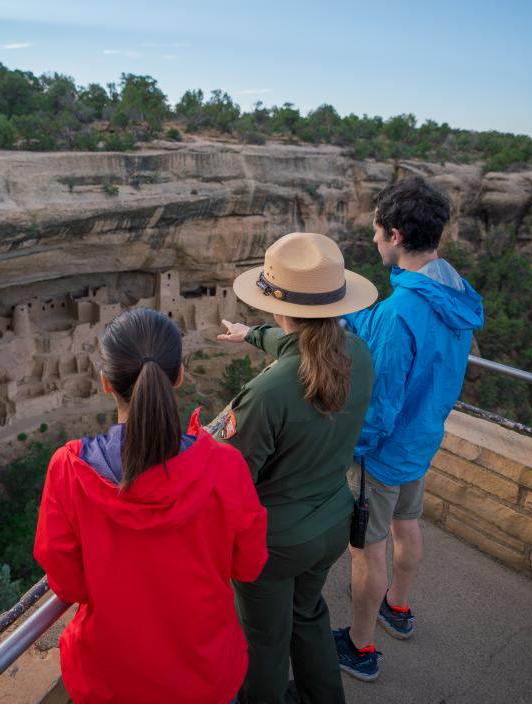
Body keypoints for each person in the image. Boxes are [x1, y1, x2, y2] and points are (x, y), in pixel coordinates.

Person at [34, 307, 268, 704]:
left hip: (112, 678)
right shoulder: (224, 467)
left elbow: (68, 584)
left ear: (106, 382)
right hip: (205, 673)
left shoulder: (70, 470)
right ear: (179, 376)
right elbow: (249, 564)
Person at [332, 176, 485, 682]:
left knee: (367, 548)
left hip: (383, 452)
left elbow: (381, 401)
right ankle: (398, 608)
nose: (373, 240)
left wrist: (354, 449)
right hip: (423, 440)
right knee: (408, 523)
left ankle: (360, 646)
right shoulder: (455, 295)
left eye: (376, 231)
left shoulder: (401, 313)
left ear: (395, 234)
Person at [215, 232, 378, 704]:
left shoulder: (269, 394)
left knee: (264, 640)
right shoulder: (359, 357)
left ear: (275, 304)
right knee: (308, 616)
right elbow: (304, 349)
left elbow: (232, 478)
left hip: (276, 541)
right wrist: (251, 335)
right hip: (332, 522)